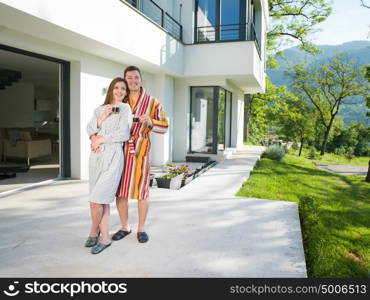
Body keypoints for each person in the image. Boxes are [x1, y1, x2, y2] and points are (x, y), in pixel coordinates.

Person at [113, 65, 169, 243]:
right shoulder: (120, 100)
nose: (132, 81)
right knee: (120, 192)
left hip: (140, 152)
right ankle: (125, 226)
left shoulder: (152, 102)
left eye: (136, 77)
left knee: (142, 191)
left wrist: (151, 121)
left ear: (141, 80)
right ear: (125, 80)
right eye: (129, 78)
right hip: (120, 151)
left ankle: (141, 228)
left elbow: (165, 126)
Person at [86, 77, 132, 254]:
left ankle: (101, 236)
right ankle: (97, 232)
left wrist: (101, 138)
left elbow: (124, 133)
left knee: (99, 198)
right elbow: (90, 129)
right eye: (117, 87)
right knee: (95, 202)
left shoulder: (125, 109)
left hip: (113, 156)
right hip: (96, 157)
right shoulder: (99, 109)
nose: (120, 91)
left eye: (123, 89)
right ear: (111, 89)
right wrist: (94, 137)